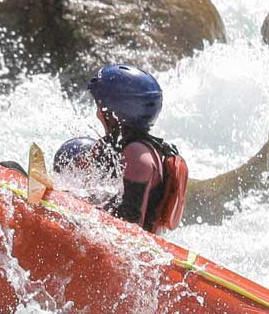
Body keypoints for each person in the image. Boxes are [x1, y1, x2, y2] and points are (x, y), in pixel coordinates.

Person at [76, 64, 189, 233]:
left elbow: (129, 226)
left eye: (100, 106)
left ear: (115, 112)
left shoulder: (137, 156)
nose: (98, 114)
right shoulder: (126, 146)